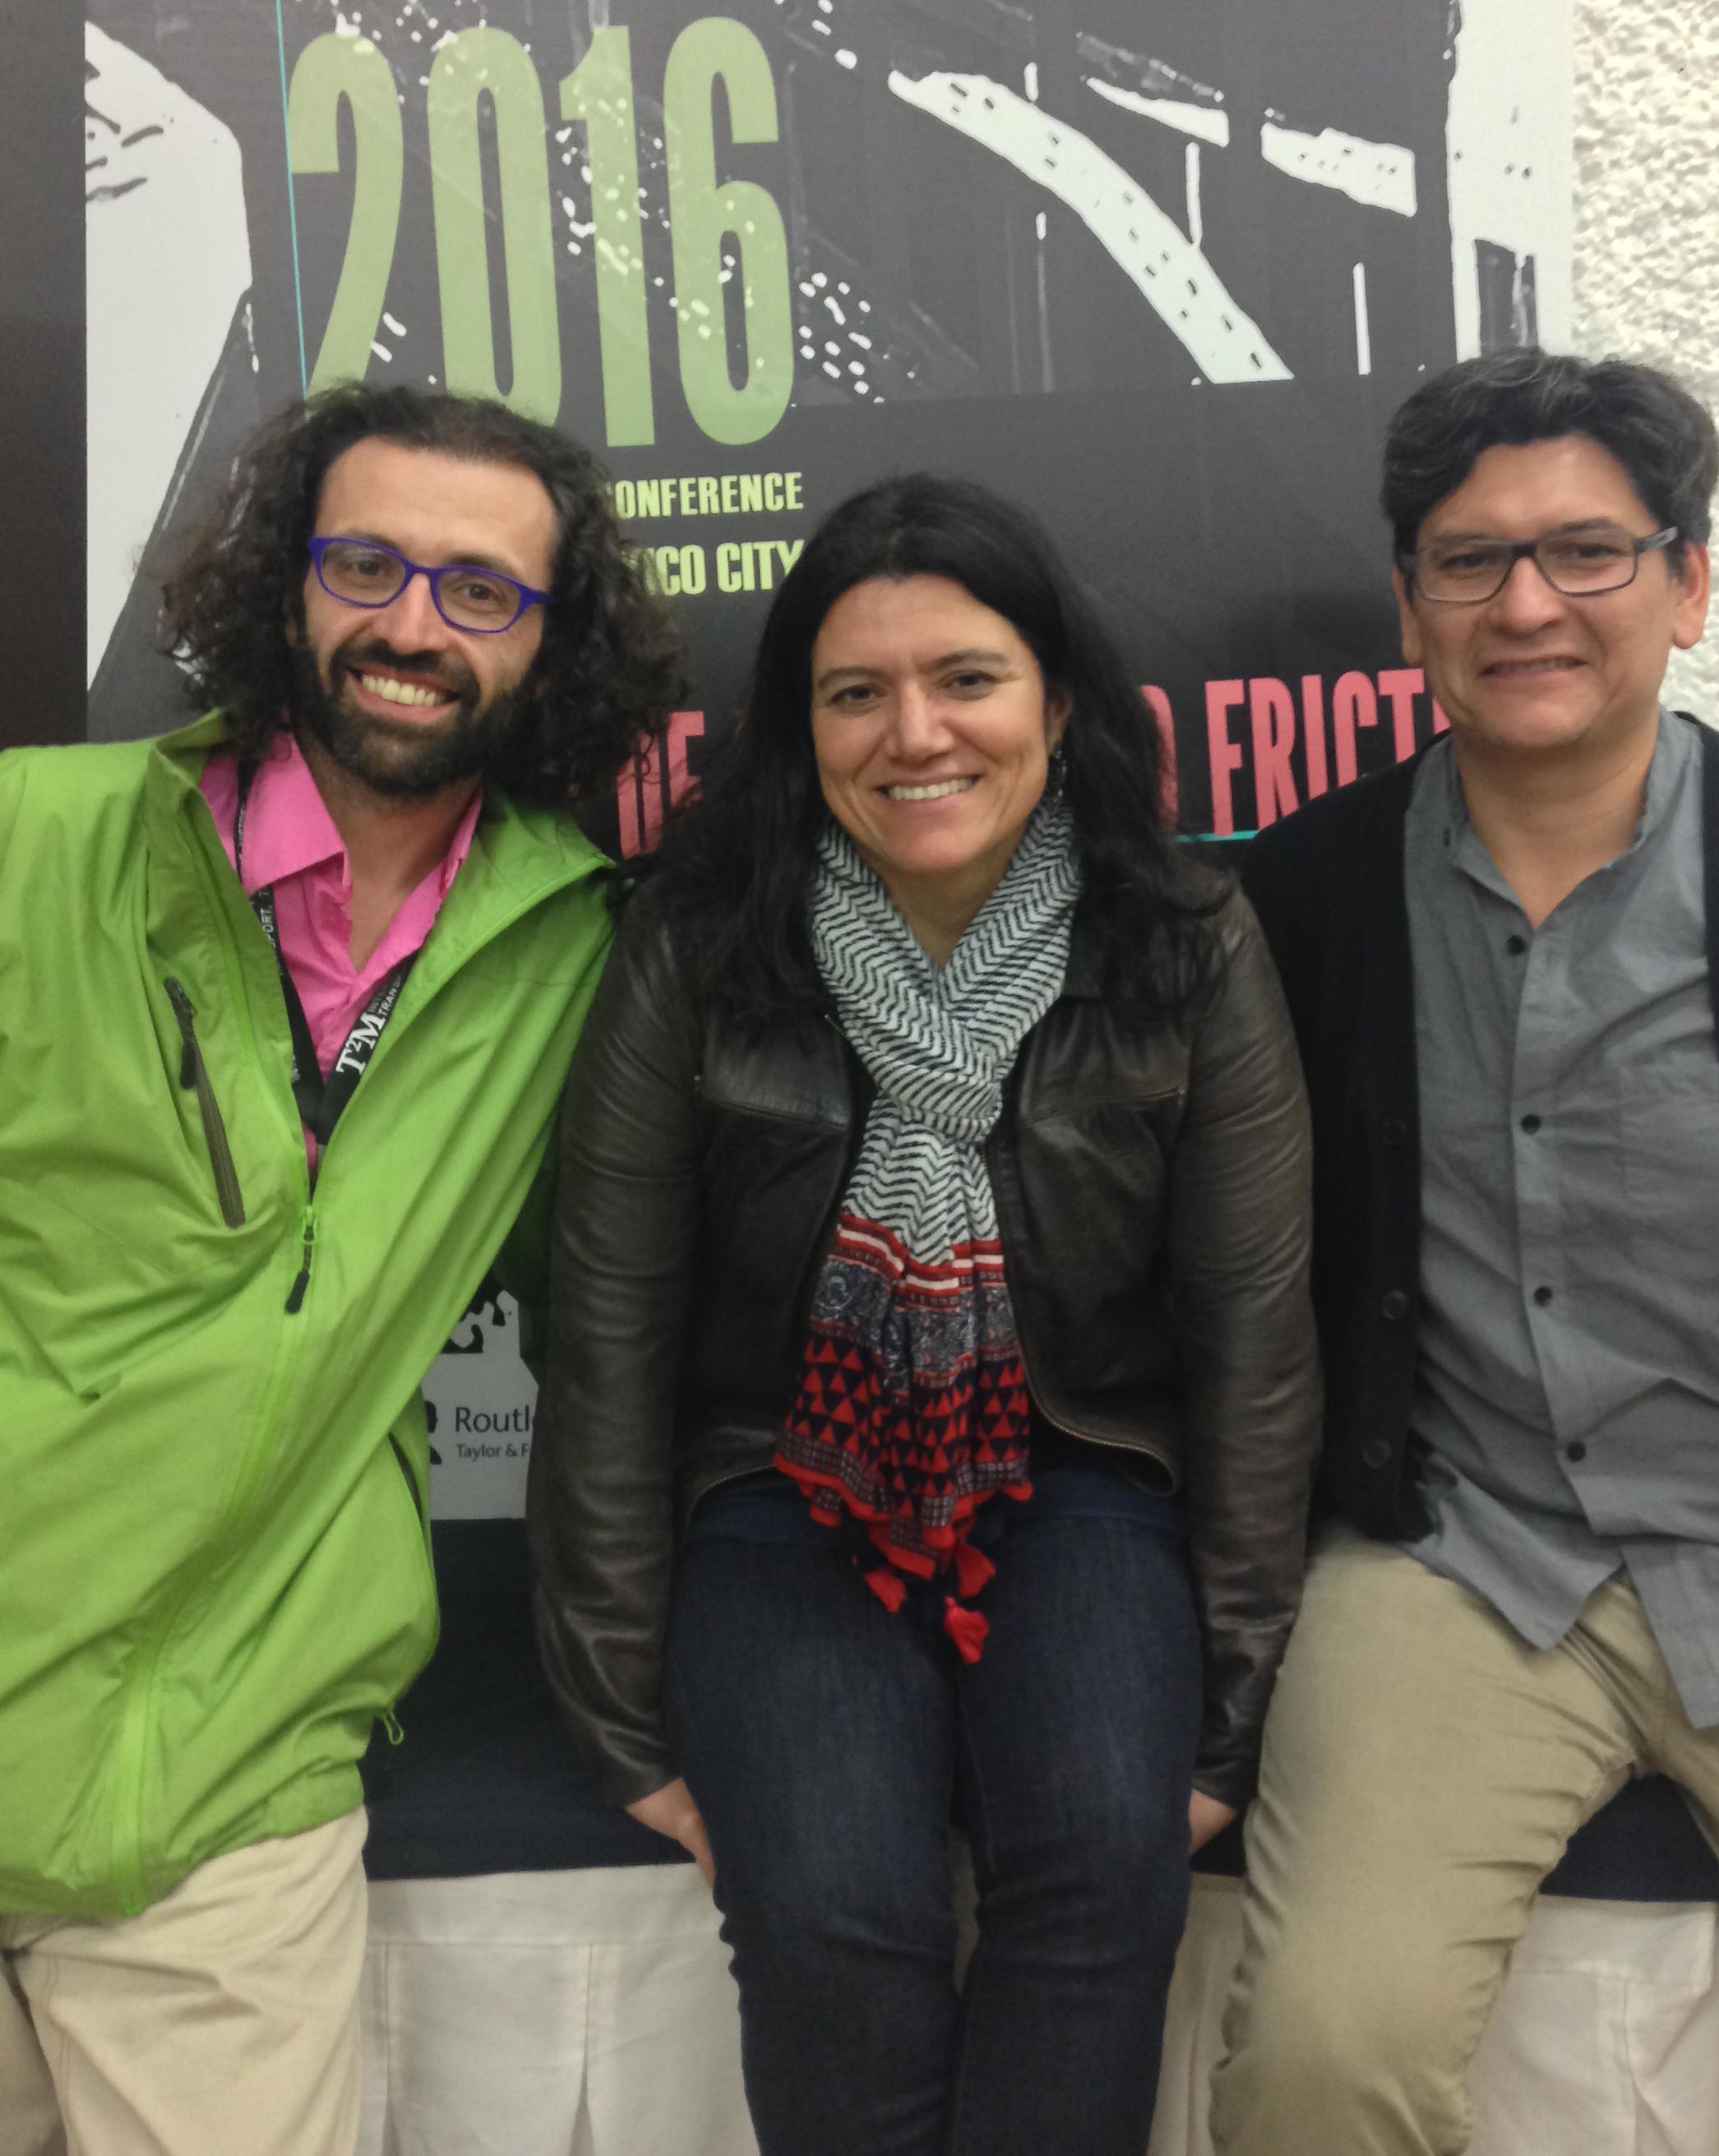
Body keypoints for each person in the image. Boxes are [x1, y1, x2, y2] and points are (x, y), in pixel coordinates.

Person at [0, 383, 681, 2156]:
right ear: (284, 588)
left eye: (481, 590)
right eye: (367, 564)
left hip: (237, 1767)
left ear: (553, 643)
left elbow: (626, 1352)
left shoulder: (583, 945)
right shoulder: (25, 838)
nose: (415, 624)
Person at [528, 474, 1319, 2156]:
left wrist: (1230, 1720)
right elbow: (606, 1330)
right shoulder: (699, 939)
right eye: (854, 691)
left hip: (1088, 1476)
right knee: (825, 1908)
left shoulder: (1184, 942)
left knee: (1108, 1869)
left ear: (1056, 698)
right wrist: (617, 1710)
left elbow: (1255, 1347)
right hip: (775, 1483)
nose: (916, 734)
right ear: (794, 726)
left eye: (966, 677)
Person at [1212, 348, 1719, 2156]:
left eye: (1588, 552)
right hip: (1459, 1567)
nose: (1526, 604)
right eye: (1469, 561)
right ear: (1409, 607)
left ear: (1688, 583)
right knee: (1319, 2060)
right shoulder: (1298, 903)